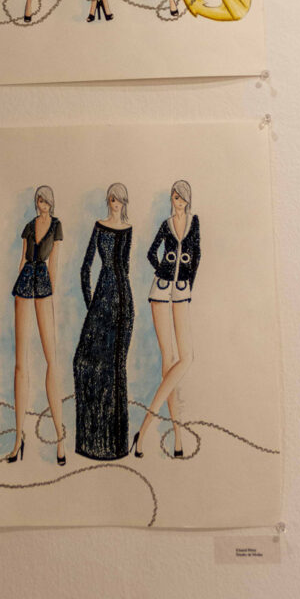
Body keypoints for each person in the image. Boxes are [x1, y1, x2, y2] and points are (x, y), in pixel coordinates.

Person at [131, 180, 201, 459]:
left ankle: (144, 428)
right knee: (168, 360)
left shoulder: (194, 223)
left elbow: (197, 255)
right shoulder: (166, 224)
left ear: (187, 200)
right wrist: (164, 268)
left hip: (181, 290)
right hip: (160, 290)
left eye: (181, 197)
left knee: (186, 357)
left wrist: (188, 281)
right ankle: (178, 438)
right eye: (174, 196)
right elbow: (151, 252)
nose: (177, 200)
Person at [73, 183, 134, 459]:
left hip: (122, 303)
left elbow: (125, 268)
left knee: (114, 370)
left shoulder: (128, 229)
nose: (114, 203)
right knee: (82, 363)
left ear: (124, 202)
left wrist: (118, 306)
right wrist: (91, 305)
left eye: (119, 199)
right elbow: (85, 268)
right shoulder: (98, 226)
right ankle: (90, 441)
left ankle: (114, 445)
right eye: (111, 199)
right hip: (101, 300)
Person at [8, 185, 66, 465]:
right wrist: (17, 287)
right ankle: (18, 438)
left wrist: (51, 293)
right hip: (24, 284)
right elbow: (22, 259)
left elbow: (54, 264)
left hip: (44, 285)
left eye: (45, 200)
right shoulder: (29, 226)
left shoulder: (56, 225)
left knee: (51, 360)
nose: (41, 204)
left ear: (51, 203)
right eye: (39, 200)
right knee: (20, 363)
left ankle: (60, 436)